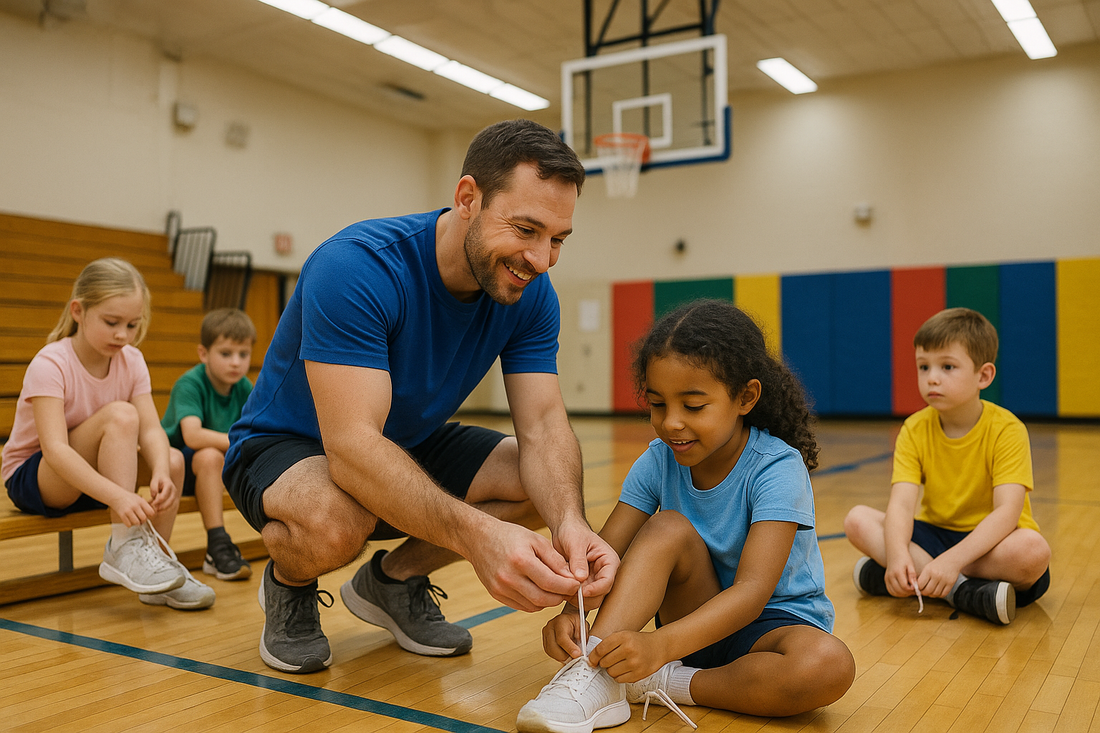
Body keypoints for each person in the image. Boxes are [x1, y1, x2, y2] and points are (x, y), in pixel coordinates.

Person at [224, 118, 618, 674]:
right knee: (334, 519)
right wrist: (478, 537)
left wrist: (570, 521)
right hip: (287, 446)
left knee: (544, 486)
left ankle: (392, 581)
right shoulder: (356, 267)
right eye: (526, 229)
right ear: (468, 198)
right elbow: (352, 447)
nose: (541, 259)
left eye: (557, 239)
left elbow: (545, 425)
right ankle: (290, 583)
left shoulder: (531, 294)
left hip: (406, 440)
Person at [517, 300, 855, 733]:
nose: (671, 423)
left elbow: (752, 592)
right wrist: (572, 611)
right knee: (667, 527)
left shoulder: (777, 468)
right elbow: (605, 552)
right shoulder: (658, 460)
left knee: (828, 664)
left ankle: (662, 682)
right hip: (690, 614)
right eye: (658, 404)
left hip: (770, 628)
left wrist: (659, 648)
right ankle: (593, 672)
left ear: (745, 398)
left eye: (693, 406)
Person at [1, 257, 214, 610]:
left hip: (96, 474)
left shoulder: (132, 360)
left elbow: (152, 429)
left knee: (174, 460)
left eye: (132, 325)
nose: (122, 335)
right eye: (112, 322)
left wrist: (161, 471)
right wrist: (118, 496)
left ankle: (159, 569)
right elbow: (55, 450)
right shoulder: (50, 363)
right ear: (78, 311)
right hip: (38, 477)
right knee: (121, 416)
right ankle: (124, 545)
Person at [844, 307, 1051, 625]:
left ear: (983, 376)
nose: (932, 377)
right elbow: (901, 504)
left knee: (1033, 551)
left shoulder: (1007, 429)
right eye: (923, 366)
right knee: (857, 520)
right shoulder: (914, 428)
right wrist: (897, 554)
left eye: (947, 366)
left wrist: (952, 561)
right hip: (935, 533)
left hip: (991, 544)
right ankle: (963, 592)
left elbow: (1007, 513)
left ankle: (913, 577)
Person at [161, 308, 256, 581]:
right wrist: (242, 441)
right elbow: (192, 436)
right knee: (209, 456)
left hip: (216, 467)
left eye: (243, 354)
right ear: (203, 354)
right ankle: (218, 543)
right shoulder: (190, 384)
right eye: (226, 354)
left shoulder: (243, 387)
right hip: (173, 470)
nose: (236, 362)